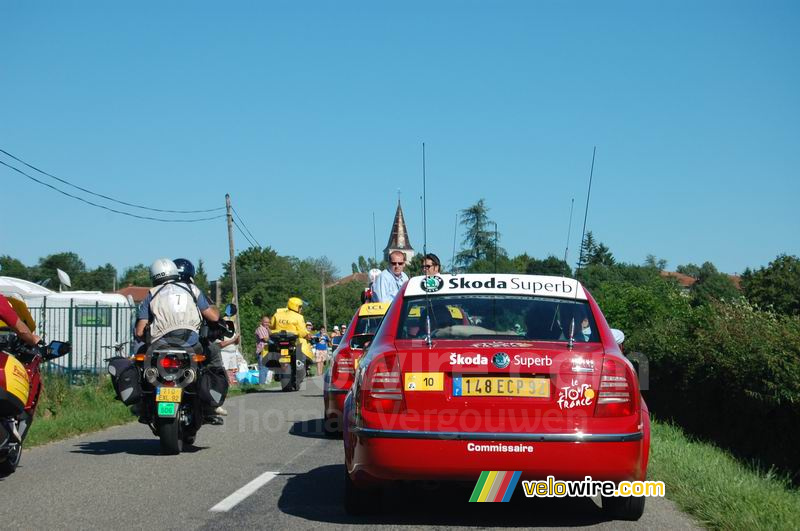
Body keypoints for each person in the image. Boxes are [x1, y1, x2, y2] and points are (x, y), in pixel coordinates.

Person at [134, 258, 227, 418]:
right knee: (212, 354)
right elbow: (212, 317)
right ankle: (211, 399)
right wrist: (214, 309)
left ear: (154, 276)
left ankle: (141, 403)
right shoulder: (192, 290)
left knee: (141, 361)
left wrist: (149, 340)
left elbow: (140, 332)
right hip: (190, 344)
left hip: (160, 346)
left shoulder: (151, 294)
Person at [270, 297, 313, 367]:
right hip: (292, 341)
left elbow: (271, 326)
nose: (301, 309)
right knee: (302, 344)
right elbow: (302, 332)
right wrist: (307, 335)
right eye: (300, 307)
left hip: (278, 340)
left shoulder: (277, 314)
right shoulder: (299, 317)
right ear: (295, 306)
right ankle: (300, 366)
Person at [255, 315, 270, 386]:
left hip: (266, 351)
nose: (267, 324)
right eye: (265, 322)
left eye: (268, 322)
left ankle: (263, 383)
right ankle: (261, 384)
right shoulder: (260, 329)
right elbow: (265, 339)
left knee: (266, 368)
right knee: (262, 368)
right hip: (261, 351)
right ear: (262, 322)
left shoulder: (267, 329)